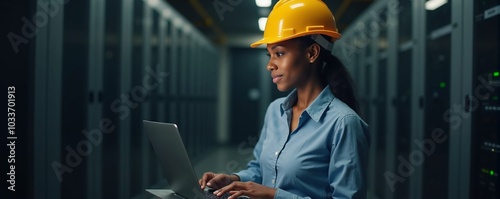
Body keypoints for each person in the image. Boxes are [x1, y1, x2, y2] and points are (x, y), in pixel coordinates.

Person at [199, 0, 370, 198]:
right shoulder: (275, 110)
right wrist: (234, 179)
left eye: (279, 53)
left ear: (312, 53)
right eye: (269, 55)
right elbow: (260, 169)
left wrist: (275, 195)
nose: (270, 65)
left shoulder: (344, 123)